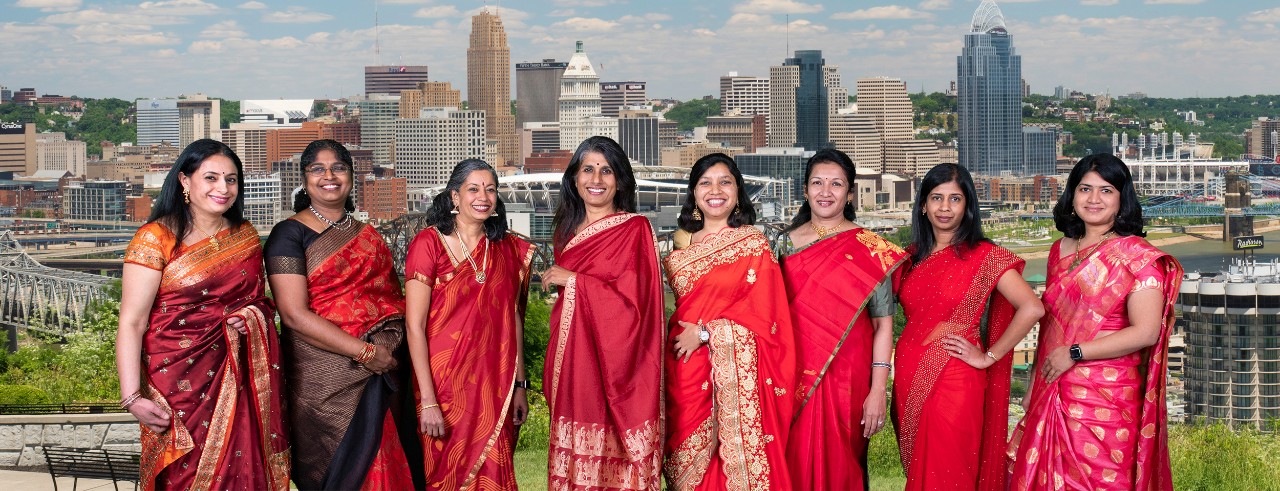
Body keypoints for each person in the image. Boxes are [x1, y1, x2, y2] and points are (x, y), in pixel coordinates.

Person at [116, 139, 290, 490]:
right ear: (184, 180)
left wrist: (251, 316)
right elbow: (132, 321)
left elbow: (260, 301)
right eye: (211, 178)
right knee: (183, 475)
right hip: (176, 383)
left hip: (241, 377)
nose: (223, 188)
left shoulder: (245, 236)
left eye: (231, 179)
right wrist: (132, 396)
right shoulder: (155, 238)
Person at [1008, 154, 1181, 490]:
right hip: (1053, 385)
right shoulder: (1061, 250)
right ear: (1072, 195)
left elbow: (1145, 332)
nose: (1094, 199)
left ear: (1122, 199)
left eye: (1106, 191)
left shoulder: (1138, 257)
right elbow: (1051, 327)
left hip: (1108, 397)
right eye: (1085, 189)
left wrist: (1075, 353)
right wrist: (1031, 389)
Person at [264, 140, 420, 490]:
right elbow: (292, 315)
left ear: (351, 176)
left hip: (384, 368)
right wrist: (365, 353)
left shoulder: (368, 235)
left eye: (339, 168)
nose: (329, 176)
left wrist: (384, 349)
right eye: (317, 169)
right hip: (323, 377)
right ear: (304, 179)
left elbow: (390, 300)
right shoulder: (289, 235)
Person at [892, 163, 1043, 490]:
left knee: (951, 470)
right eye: (936, 198)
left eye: (955, 199)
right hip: (908, 371)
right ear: (923, 205)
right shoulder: (910, 257)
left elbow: (1032, 307)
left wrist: (989, 356)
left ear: (968, 206)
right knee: (919, 469)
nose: (944, 207)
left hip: (955, 376)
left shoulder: (985, 255)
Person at [662, 153, 795, 490]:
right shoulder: (679, 244)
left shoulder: (753, 243)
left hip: (735, 371)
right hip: (685, 372)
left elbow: (768, 319)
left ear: (738, 192)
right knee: (685, 471)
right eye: (705, 182)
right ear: (693, 193)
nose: (715, 190)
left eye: (725, 182)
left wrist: (707, 334)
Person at [778, 149, 906, 490]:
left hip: (848, 380)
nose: (825, 192)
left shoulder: (871, 248)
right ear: (804, 190)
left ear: (849, 193)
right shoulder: (781, 245)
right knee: (790, 464)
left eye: (836, 184)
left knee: (842, 465)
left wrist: (879, 390)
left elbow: (883, 326)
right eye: (817, 183)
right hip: (791, 376)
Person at [542, 136, 665, 490]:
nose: (596, 179)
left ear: (620, 180)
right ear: (575, 178)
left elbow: (635, 307)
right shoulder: (565, 233)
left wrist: (575, 281)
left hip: (616, 363)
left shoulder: (634, 229)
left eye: (606, 170)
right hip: (572, 362)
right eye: (588, 169)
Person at [403, 159, 534, 490]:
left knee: (494, 471)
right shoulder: (428, 244)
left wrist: (520, 385)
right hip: (443, 386)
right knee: (444, 475)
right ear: (454, 197)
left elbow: (512, 318)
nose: (483, 197)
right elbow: (414, 326)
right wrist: (429, 400)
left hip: (496, 384)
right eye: (473, 189)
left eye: (491, 190)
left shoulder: (506, 249)